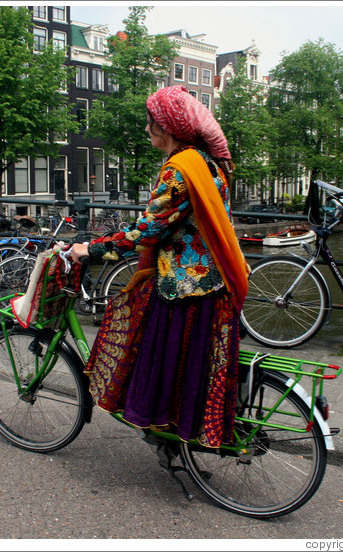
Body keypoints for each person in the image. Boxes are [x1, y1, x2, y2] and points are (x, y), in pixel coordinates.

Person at [70, 85, 249, 449]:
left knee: (151, 356)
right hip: (213, 282)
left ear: (163, 127)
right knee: (186, 372)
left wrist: (92, 248)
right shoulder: (207, 162)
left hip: (187, 288)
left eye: (149, 122)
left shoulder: (180, 170)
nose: (145, 129)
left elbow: (149, 229)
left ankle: (167, 434)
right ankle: (172, 440)